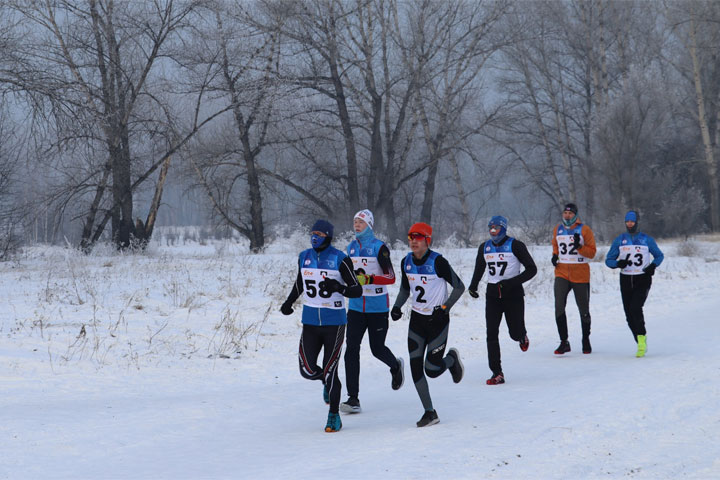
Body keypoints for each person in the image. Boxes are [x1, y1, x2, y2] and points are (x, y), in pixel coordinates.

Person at [280, 219, 362, 432]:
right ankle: (326, 382)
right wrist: (289, 302)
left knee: (330, 370)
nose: (314, 236)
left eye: (319, 233)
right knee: (306, 369)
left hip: (334, 322)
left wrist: (339, 288)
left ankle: (334, 415)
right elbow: (300, 282)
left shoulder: (340, 259)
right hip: (310, 322)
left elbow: (356, 290)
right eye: (312, 232)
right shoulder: (304, 257)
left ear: (328, 236)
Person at [390, 222, 465, 428]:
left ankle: (451, 359)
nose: (414, 241)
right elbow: (406, 290)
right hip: (417, 321)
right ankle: (429, 412)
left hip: (437, 321)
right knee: (416, 368)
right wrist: (397, 307)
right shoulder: (406, 262)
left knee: (431, 369)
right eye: (411, 237)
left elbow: (459, 287)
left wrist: (445, 308)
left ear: (427, 240)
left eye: (418, 237)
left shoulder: (438, 262)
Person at [340, 210, 404, 414]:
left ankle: (395, 366)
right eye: (354, 221)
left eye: (360, 222)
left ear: (369, 224)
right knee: (351, 350)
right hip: (356, 307)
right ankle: (353, 399)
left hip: (378, 307)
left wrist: (369, 280)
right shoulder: (351, 248)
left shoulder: (379, 247)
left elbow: (391, 277)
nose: (356, 225)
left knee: (377, 349)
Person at [468, 215, 537, 385]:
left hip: (513, 294)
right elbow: (479, 268)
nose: (493, 231)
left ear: (503, 228)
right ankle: (497, 372)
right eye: (490, 228)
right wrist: (473, 286)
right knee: (491, 333)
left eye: (496, 228)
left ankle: (522, 335)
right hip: (492, 294)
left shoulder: (516, 245)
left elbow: (532, 269)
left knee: (514, 332)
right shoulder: (484, 247)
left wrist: (511, 283)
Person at [604, 210, 664, 357]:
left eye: (632, 222)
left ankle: (642, 338)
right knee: (628, 314)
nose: (630, 224)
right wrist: (618, 263)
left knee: (636, 307)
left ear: (637, 222)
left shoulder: (646, 239)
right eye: (627, 222)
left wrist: (652, 266)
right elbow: (608, 260)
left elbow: (659, 255)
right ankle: (639, 340)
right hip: (625, 279)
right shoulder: (620, 240)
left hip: (642, 278)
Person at [551, 203, 597, 354]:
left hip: (580, 273)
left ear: (575, 215)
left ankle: (586, 338)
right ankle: (564, 341)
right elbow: (556, 246)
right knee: (559, 306)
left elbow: (592, 253)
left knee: (583, 308)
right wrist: (554, 256)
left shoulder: (584, 229)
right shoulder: (558, 229)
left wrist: (579, 247)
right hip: (562, 272)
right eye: (565, 213)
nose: (567, 216)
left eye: (570, 213)